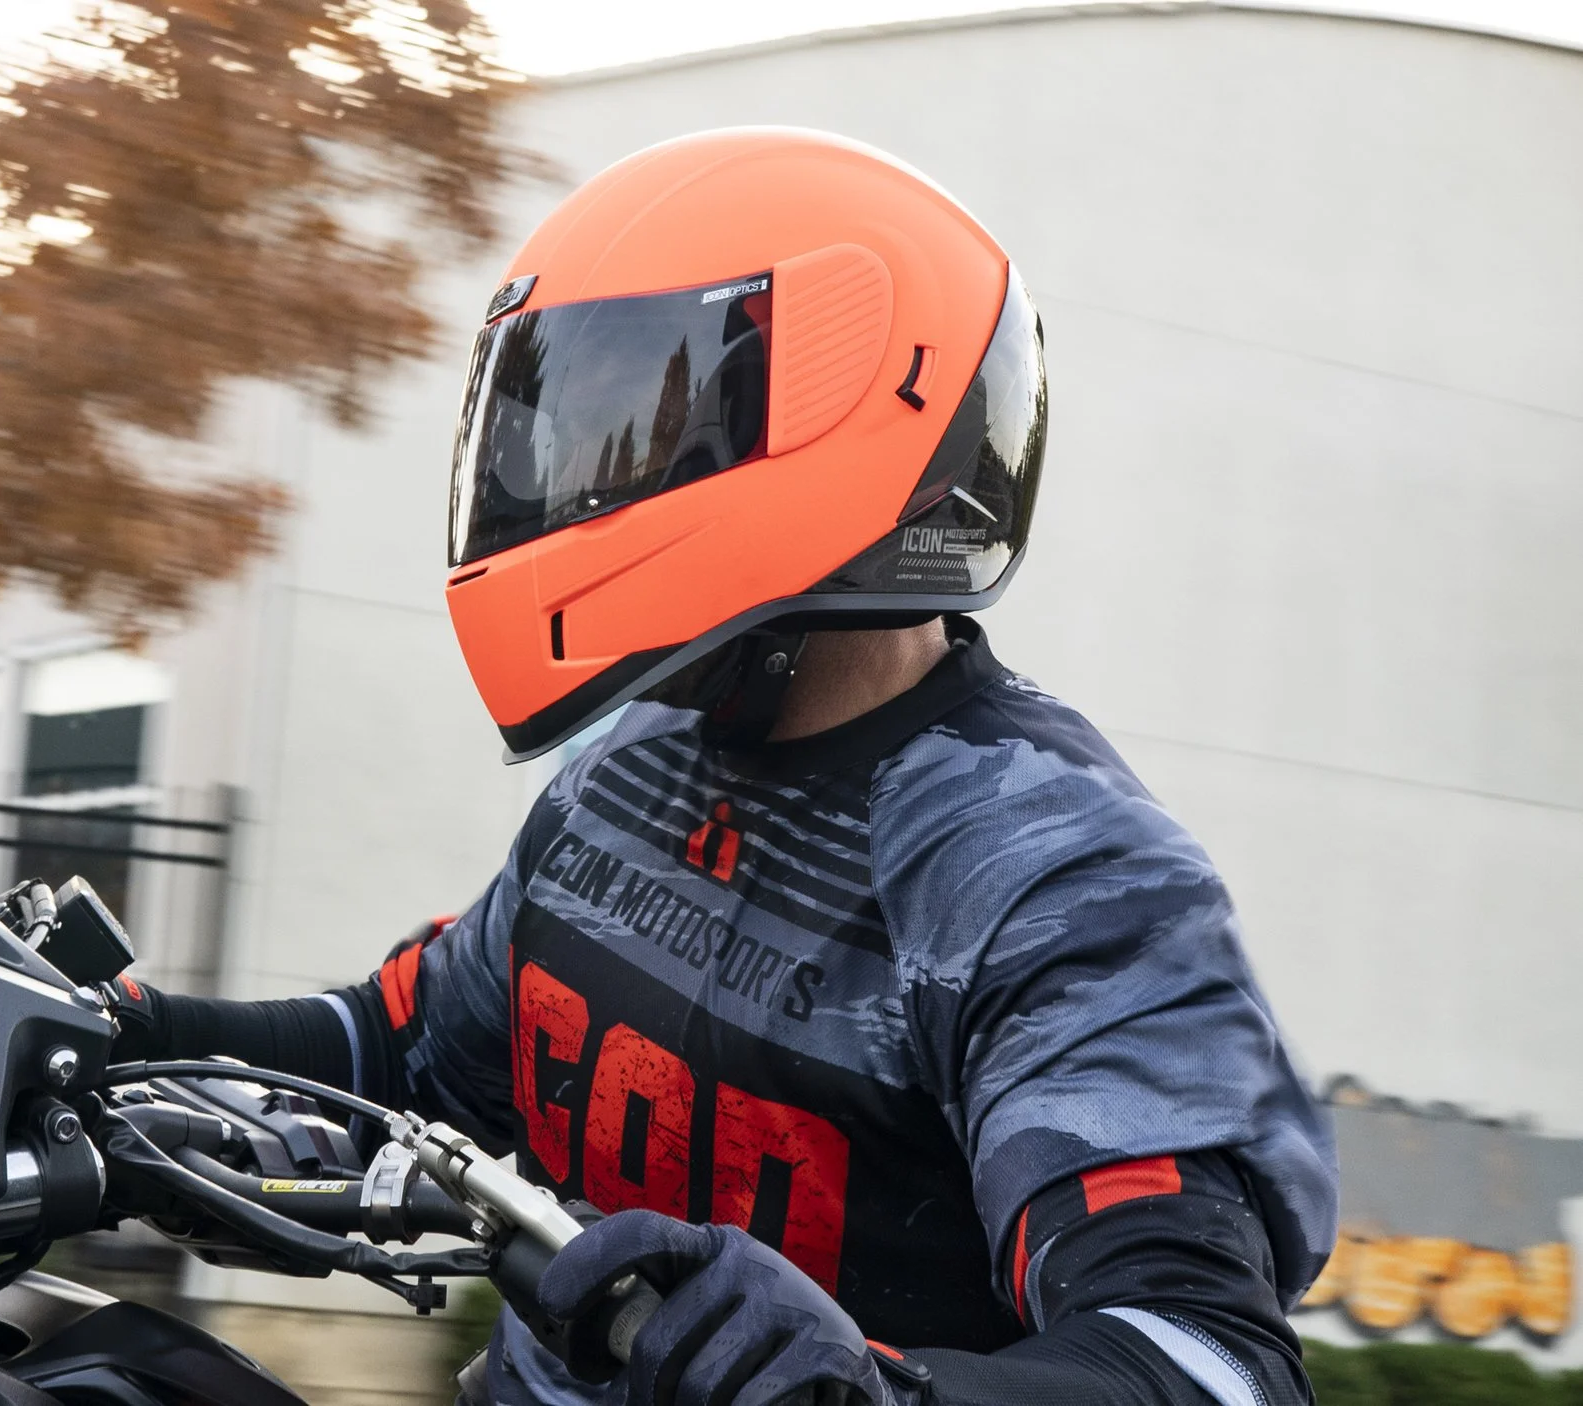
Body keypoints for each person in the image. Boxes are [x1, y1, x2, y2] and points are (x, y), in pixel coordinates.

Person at [104, 127, 1338, 1406]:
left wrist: (875, 1391)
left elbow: (1204, 1358)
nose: (573, 475)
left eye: (632, 421)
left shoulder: (1053, 873)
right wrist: (111, 1035)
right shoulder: (630, 766)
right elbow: (406, 1048)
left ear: (824, 414)